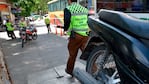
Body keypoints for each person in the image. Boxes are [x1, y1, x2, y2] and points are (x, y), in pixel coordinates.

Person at [64, 0, 89, 77]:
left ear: (69, 0)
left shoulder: (68, 9)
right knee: (88, 54)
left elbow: (67, 21)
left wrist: (67, 31)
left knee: (72, 54)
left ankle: (69, 70)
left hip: (75, 36)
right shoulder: (84, 9)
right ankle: (94, 70)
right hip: (85, 35)